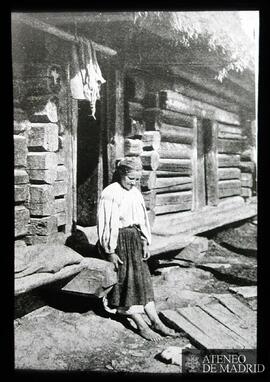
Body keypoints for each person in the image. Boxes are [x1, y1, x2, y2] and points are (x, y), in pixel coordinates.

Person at [97, 157, 177, 341]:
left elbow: (141, 219)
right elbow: (106, 225)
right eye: (131, 179)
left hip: (134, 240)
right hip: (119, 242)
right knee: (126, 284)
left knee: (142, 281)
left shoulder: (135, 193)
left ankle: (156, 321)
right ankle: (141, 325)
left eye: (137, 179)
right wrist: (110, 251)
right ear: (121, 174)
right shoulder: (111, 193)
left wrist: (144, 241)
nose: (134, 183)